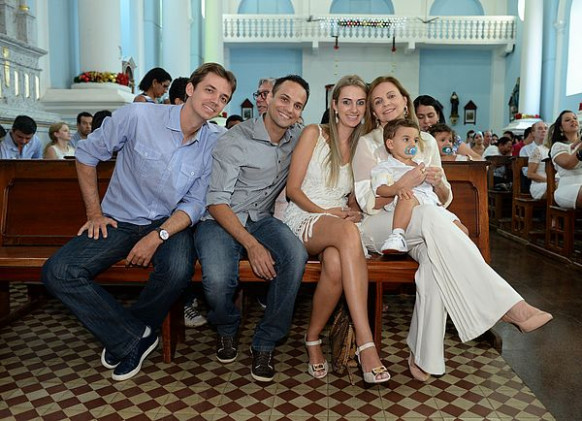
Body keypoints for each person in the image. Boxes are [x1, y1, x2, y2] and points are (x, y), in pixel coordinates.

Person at [41, 63, 237, 381]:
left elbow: (195, 202)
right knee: (58, 271)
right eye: (210, 90)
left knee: (177, 269)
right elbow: (87, 154)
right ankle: (134, 337)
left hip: (170, 224)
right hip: (120, 219)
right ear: (190, 89)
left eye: (223, 98)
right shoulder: (139, 116)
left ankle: (128, 333)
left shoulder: (215, 142)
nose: (215, 101)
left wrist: (157, 236)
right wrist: (94, 214)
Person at [352, 75, 552, 382]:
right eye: (377, 101)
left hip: (425, 222)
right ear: (374, 112)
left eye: (391, 96)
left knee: (435, 260)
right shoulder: (367, 144)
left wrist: (435, 182)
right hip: (382, 225)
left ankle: (424, 354)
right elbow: (367, 202)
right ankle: (508, 306)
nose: (386, 104)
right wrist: (403, 184)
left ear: (404, 100)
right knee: (432, 219)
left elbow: (444, 196)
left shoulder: (426, 141)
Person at [194, 75, 310, 383]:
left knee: (295, 256)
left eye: (297, 105)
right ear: (268, 99)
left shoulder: (297, 137)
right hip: (220, 219)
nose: (289, 109)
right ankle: (226, 326)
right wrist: (252, 245)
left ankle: (266, 341)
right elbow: (216, 202)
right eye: (284, 99)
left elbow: (333, 145)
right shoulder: (235, 139)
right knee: (217, 279)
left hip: (261, 218)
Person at [284, 75, 389, 384]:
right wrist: (326, 212)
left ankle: (312, 338)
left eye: (360, 103)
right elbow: (292, 190)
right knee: (347, 233)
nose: (353, 109)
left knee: (334, 264)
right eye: (346, 102)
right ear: (334, 105)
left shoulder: (362, 146)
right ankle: (366, 343)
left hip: (337, 223)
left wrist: (354, 211)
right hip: (304, 215)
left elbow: (356, 198)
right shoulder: (314, 134)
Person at [372, 119, 466, 254]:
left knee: (462, 231)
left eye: (415, 140)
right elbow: (379, 189)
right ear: (390, 144)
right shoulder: (386, 167)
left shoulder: (422, 164)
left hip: (431, 204)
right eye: (406, 139)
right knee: (408, 197)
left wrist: (435, 181)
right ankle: (397, 235)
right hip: (407, 203)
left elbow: (440, 195)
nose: (412, 144)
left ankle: (453, 253)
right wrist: (396, 189)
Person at [413, 95, 481, 160]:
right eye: (420, 117)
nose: (426, 121)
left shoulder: (450, 137)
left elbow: (479, 159)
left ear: (438, 115)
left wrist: (464, 159)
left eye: (430, 116)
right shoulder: (412, 139)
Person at [549, 110, 582, 209]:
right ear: (561, 128)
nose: (573, 121)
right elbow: (568, 163)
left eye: (575, 118)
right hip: (568, 188)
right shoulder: (558, 146)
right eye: (568, 120)